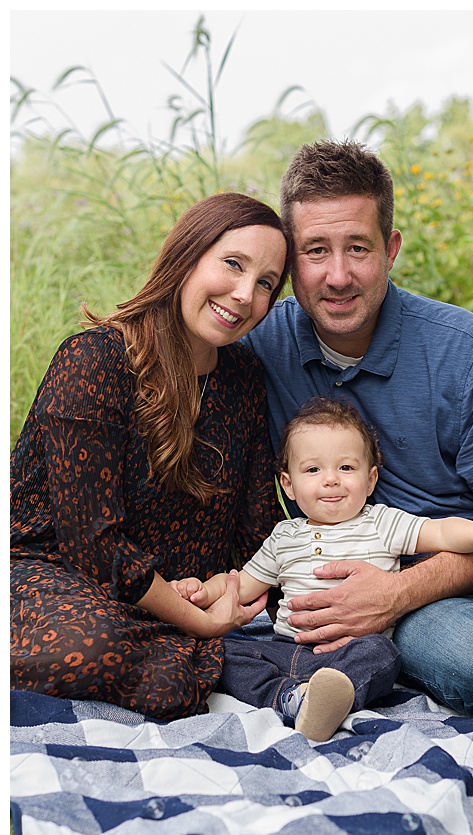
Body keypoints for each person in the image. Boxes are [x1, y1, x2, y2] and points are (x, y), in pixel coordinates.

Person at [242, 140, 473, 718]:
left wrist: (395, 596)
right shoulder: (262, 348)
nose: (337, 275)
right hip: (403, 572)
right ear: (290, 262)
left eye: (358, 247)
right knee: (467, 660)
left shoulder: (469, 348)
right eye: (315, 251)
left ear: (391, 249)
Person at [10, 193, 291, 721]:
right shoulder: (94, 361)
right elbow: (91, 541)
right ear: (188, 255)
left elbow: (258, 524)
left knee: (172, 678)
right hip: (49, 568)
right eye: (233, 264)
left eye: (266, 283)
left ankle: (178, 641)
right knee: (95, 648)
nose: (244, 294)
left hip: (177, 583)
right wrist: (202, 622)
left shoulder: (244, 379)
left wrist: (290, 588)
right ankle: (183, 642)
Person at [171, 398, 473, 740]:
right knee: (227, 650)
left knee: (382, 656)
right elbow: (241, 585)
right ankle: (290, 698)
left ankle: (329, 697)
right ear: (288, 485)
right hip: (288, 649)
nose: (331, 480)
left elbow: (441, 531)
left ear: (370, 480)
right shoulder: (284, 536)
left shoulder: (381, 523)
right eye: (313, 469)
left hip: (350, 652)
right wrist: (202, 592)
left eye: (346, 467)